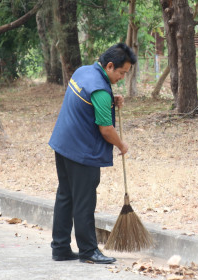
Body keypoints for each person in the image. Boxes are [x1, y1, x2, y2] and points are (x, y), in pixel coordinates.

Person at [48, 43, 137, 264]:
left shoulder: (83, 72)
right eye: (122, 72)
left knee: (65, 196)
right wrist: (121, 145)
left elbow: (89, 102)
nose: (122, 78)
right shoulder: (100, 90)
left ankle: (60, 248)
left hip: (63, 144)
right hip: (81, 151)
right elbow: (106, 129)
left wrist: (110, 103)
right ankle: (89, 251)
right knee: (84, 201)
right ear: (109, 66)